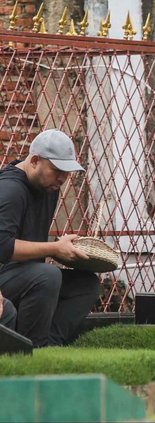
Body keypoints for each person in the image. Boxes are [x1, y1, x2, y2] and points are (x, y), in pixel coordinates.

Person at [0, 129, 100, 347]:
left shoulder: (48, 187)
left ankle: (52, 347)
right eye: (57, 170)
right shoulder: (10, 190)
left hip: (26, 275)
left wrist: (68, 251)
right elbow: (2, 247)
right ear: (35, 160)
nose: (63, 178)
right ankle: (31, 349)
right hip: (4, 277)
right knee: (47, 275)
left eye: (67, 172)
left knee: (87, 284)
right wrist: (54, 248)